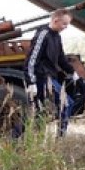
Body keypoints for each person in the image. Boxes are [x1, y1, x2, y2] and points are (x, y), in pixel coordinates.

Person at [24, 8, 80, 136]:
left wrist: (72, 72)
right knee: (64, 104)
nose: (66, 27)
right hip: (41, 77)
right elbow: (31, 60)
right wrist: (31, 81)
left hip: (50, 77)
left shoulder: (56, 36)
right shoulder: (43, 35)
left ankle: (53, 135)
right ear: (56, 20)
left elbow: (61, 58)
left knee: (62, 105)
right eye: (64, 24)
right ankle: (59, 137)